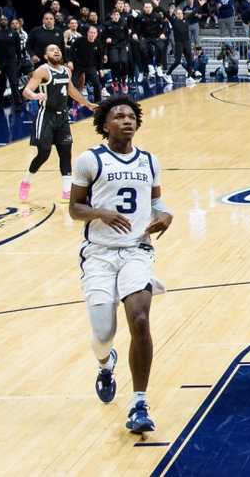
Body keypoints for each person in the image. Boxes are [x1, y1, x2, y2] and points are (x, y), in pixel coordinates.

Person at [68, 95, 173, 433]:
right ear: (105, 124)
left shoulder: (149, 161)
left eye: (131, 116)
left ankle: (139, 401)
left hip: (136, 250)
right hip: (98, 253)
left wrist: (165, 216)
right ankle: (105, 362)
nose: (127, 121)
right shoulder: (89, 160)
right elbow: (74, 208)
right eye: (119, 116)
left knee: (140, 320)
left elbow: (157, 202)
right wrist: (101, 212)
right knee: (103, 332)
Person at [19, 45, 97, 203]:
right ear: (46, 55)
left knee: (66, 153)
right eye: (52, 50)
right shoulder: (42, 70)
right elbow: (26, 91)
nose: (56, 51)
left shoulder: (66, 70)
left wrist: (87, 103)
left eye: (58, 50)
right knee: (44, 153)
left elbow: (72, 90)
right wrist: (35, 96)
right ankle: (26, 182)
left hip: (62, 118)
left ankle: (66, 191)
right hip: (46, 116)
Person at [0, 17, 24, 109]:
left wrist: (19, 61)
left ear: (7, 22)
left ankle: (18, 104)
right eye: (1, 20)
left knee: (14, 83)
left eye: (5, 19)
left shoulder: (14, 33)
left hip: (11, 62)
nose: (3, 21)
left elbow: (18, 49)